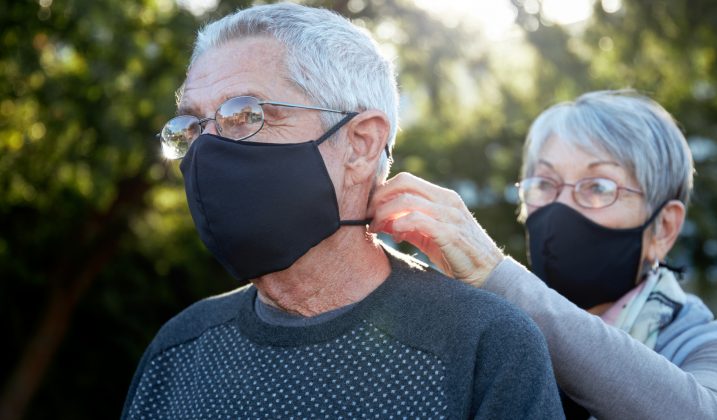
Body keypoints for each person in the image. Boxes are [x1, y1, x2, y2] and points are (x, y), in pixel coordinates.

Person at [121, 3, 565, 419]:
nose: (206, 150)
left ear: (361, 143)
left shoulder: (482, 344)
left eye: (245, 113)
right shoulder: (178, 349)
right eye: (192, 125)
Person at [369, 90, 717, 419]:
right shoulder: (489, 338)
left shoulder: (709, 346)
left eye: (598, 187)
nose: (561, 210)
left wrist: (494, 273)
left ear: (663, 228)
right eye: (544, 183)